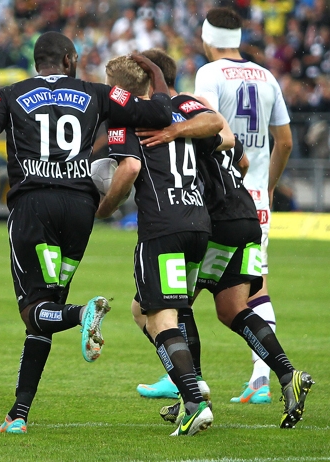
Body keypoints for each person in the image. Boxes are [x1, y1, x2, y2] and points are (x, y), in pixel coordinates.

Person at [0, 31, 173, 434]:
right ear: (71, 60)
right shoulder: (96, 92)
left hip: (34, 207)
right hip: (79, 211)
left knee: (34, 309)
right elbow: (160, 113)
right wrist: (157, 74)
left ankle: (81, 314)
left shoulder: (9, 94)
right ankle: (18, 414)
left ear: (37, 62)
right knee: (43, 315)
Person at [137, 48, 313, 430]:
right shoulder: (198, 111)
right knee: (231, 308)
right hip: (244, 214)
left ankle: (192, 395)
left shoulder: (163, 116)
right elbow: (243, 157)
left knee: (156, 307)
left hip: (212, 220)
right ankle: (288, 375)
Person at [96, 55, 215, 436]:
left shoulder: (125, 121)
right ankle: (192, 392)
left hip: (162, 227)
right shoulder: (177, 109)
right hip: (198, 223)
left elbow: (129, 169)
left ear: (117, 91)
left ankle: (195, 401)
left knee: (162, 319)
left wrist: (104, 208)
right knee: (146, 309)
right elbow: (221, 133)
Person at [194, 6, 295, 404]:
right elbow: (284, 141)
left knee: (182, 287)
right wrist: (269, 186)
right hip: (256, 201)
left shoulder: (209, 74)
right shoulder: (267, 76)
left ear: (207, 39)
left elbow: (211, 124)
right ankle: (261, 377)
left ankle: (184, 373)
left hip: (221, 196)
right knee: (256, 285)